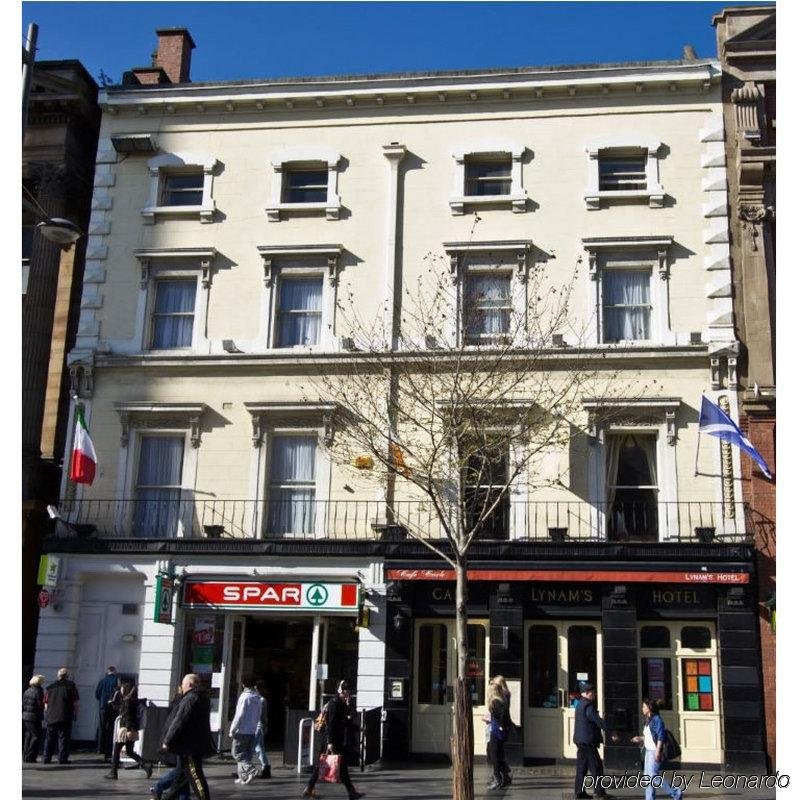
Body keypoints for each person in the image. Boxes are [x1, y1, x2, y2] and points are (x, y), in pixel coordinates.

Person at [303, 680, 363, 800]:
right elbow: (330, 724)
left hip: (338, 739)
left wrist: (350, 704)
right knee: (328, 764)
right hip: (330, 740)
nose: (347, 692)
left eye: (348, 690)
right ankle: (351, 792)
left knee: (335, 765)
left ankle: (309, 788)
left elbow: (352, 715)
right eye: (345, 690)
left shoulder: (343, 703)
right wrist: (330, 742)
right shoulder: (334, 703)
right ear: (340, 690)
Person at [161, 673, 215, 800]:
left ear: (189, 684)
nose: (182, 687)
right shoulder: (202, 697)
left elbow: (179, 720)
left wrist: (167, 741)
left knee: (195, 776)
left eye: (183, 684)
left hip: (189, 746)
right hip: (193, 743)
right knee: (180, 778)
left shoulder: (191, 698)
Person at [573, 681, 618, 800]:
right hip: (588, 742)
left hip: (580, 741)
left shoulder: (580, 704)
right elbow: (597, 720)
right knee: (596, 767)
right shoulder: (588, 705)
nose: (595, 694)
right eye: (593, 692)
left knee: (581, 767)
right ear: (587, 693)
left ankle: (579, 792)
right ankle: (600, 793)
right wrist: (611, 731)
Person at [631, 699, 683, 800]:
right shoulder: (648, 720)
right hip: (648, 751)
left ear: (649, 708)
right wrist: (640, 738)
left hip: (654, 751)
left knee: (654, 777)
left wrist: (658, 751)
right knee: (648, 778)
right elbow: (650, 736)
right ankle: (649, 798)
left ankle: (676, 792)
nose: (642, 709)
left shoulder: (657, 719)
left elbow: (660, 737)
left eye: (644, 707)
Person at [105, 677, 153, 780]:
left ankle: (113, 772)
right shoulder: (131, 700)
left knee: (117, 750)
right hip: (131, 728)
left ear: (126, 689)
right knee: (129, 751)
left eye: (122, 687)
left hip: (126, 729)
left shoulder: (128, 701)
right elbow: (121, 710)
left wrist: (129, 729)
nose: (121, 689)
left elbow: (128, 716)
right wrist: (113, 704)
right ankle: (146, 765)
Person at [150, 684, 189, 800]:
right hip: (182, 741)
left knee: (184, 771)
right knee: (183, 770)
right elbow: (176, 723)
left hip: (182, 740)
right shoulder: (183, 701)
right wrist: (167, 741)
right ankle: (159, 786)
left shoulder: (181, 700)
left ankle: (183, 797)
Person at [229, 675, 264, 785]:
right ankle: (243, 776)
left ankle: (251, 770)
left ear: (243, 684)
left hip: (242, 730)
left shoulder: (244, 697)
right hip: (252, 730)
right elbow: (259, 714)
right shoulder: (258, 698)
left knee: (237, 754)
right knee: (246, 755)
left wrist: (232, 729)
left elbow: (239, 715)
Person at [43, 667, 79, 764]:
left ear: (58, 676)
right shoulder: (71, 686)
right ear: (67, 676)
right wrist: (75, 713)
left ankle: (46, 758)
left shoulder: (50, 688)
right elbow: (75, 703)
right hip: (65, 715)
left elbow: (46, 704)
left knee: (49, 738)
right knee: (63, 738)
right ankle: (62, 758)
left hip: (51, 716)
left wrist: (48, 713)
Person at [485, 679, 512, 791]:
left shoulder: (495, 702)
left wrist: (501, 725)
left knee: (494, 754)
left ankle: (498, 777)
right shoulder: (500, 700)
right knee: (497, 753)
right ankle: (504, 774)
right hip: (499, 730)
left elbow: (503, 714)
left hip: (497, 731)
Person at [95, 666, 118, 760]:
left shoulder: (102, 681)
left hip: (103, 706)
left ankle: (100, 748)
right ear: (114, 671)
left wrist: (102, 700)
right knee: (111, 727)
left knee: (102, 727)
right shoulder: (116, 680)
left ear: (107, 671)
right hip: (112, 707)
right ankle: (109, 748)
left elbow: (97, 694)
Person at [22, 675, 46, 763]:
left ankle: (25, 756)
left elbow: (23, 703)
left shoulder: (27, 691)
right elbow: (40, 705)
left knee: (28, 736)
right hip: (35, 717)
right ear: (39, 682)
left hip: (26, 716)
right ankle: (31, 757)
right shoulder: (39, 691)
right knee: (36, 736)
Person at [254, 679, 271, 778]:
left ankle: (245, 768)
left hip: (258, 726)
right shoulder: (259, 699)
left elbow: (262, 716)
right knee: (259, 747)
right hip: (257, 726)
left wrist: (265, 726)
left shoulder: (261, 700)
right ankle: (266, 767)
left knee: (253, 747)